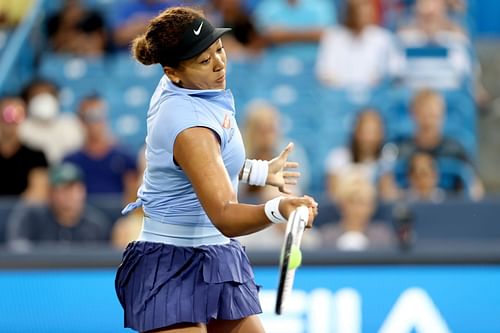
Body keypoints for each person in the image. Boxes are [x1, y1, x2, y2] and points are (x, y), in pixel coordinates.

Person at [114, 7, 318, 333]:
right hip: (170, 266)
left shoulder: (192, 87)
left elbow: (205, 166)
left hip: (217, 257)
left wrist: (257, 172)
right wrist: (278, 208)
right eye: (204, 60)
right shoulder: (188, 126)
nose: (220, 64)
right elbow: (224, 215)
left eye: (219, 50)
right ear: (172, 72)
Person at [6, 162, 111, 252]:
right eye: (63, 189)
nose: (70, 195)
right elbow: (18, 250)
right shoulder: (31, 218)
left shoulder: (97, 224)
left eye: (75, 188)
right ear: (51, 193)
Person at [63, 94, 138, 200]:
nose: (95, 122)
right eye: (90, 116)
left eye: (99, 115)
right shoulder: (71, 160)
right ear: (81, 120)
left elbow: (132, 195)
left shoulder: (124, 157)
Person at [315, 0, 403, 88]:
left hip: (375, 96)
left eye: (366, 11)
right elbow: (324, 73)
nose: (363, 15)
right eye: (357, 11)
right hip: (339, 95)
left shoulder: (383, 38)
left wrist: (381, 81)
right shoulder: (333, 37)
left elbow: (396, 70)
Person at [324, 109, 399, 201]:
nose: (370, 138)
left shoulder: (386, 160)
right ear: (356, 132)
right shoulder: (338, 157)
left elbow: (389, 196)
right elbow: (333, 195)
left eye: (375, 132)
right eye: (366, 131)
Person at [321, 169, 396, 251]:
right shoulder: (327, 236)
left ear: (372, 206)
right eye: (352, 202)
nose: (357, 209)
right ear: (341, 204)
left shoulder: (382, 236)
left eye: (363, 202)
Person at [18, 77, 84, 165]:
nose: (43, 100)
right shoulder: (19, 128)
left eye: (48, 94)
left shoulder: (71, 125)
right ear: (26, 101)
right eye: (37, 95)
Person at [0, 96, 49, 202]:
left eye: (17, 115)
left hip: (24, 217)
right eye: (6, 114)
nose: (10, 120)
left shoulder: (37, 156)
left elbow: (38, 193)